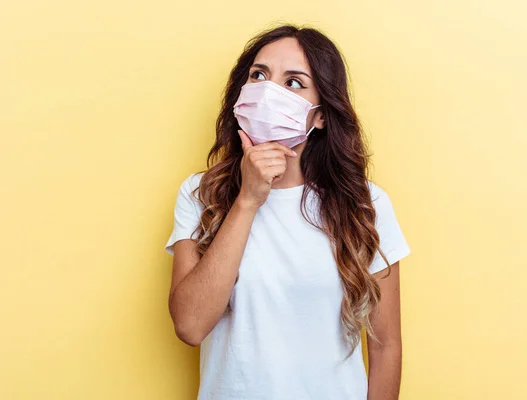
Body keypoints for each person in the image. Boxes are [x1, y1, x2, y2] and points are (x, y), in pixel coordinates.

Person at [164, 24, 411, 400]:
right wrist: (248, 199)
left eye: (293, 83)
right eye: (258, 75)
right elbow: (190, 326)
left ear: (321, 116)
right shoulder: (201, 194)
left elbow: (385, 346)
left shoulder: (365, 205)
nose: (268, 92)